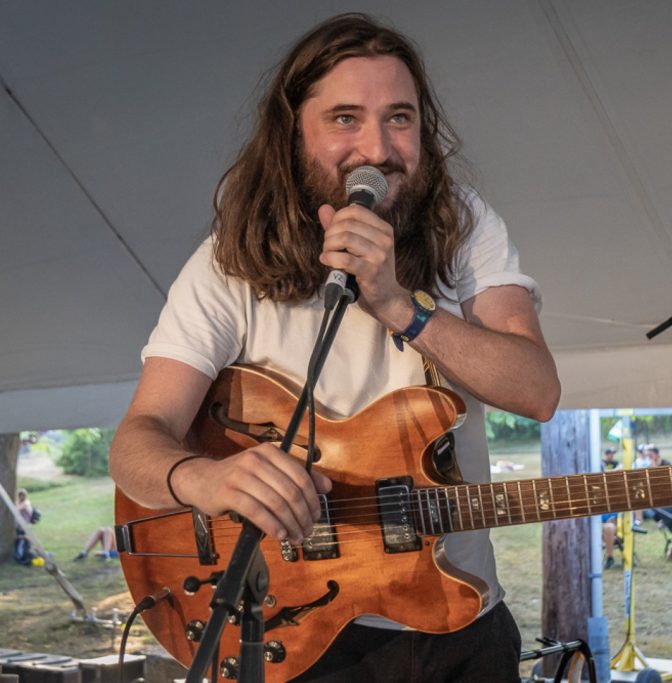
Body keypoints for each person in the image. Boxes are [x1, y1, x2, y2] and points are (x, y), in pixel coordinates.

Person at [109, 13, 560, 683]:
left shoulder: (462, 224)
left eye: (400, 118)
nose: (377, 148)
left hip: (462, 620)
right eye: (345, 118)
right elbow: (136, 443)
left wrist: (399, 304)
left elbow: (537, 390)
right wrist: (205, 479)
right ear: (293, 132)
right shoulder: (228, 261)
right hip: (305, 633)